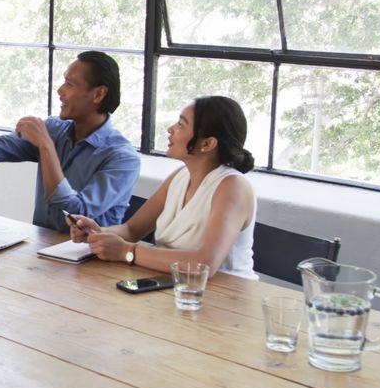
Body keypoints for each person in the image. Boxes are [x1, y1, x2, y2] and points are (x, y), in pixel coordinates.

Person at [0, 51, 140, 231]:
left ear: (99, 94)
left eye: (70, 84)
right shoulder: (55, 129)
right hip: (42, 253)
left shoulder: (122, 158)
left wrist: (45, 146)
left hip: (92, 265)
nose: (60, 91)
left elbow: (76, 213)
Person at [69, 95, 257, 279]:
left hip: (226, 299)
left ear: (207, 144)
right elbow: (132, 230)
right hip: (171, 286)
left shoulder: (233, 186)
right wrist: (98, 233)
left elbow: (204, 263)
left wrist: (127, 251)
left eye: (181, 125)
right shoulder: (179, 177)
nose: (170, 129)